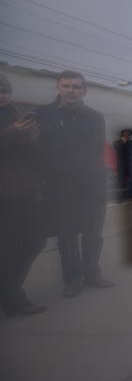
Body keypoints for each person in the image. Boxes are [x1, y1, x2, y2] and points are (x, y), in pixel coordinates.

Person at [35, 71, 113, 297]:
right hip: (60, 186)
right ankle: (72, 279)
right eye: (66, 86)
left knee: (93, 233)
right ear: (57, 88)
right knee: (66, 235)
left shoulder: (95, 117)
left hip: (92, 185)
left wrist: (98, 176)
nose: (71, 91)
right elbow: (39, 150)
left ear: (84, 91)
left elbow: (97, 150)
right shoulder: (43, 114)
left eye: (76, 87)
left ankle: (92, 273)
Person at [0, 73, 47, 317]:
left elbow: (32, 158)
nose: (2, 95)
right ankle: (13, 299)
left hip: (24, 192)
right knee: (7, 248)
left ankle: (11, 292)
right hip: (4, 196)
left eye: (5, 90)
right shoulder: (13, 124)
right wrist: (13, 133)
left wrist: (33, 139)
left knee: (33, 242)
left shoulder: (16, 116)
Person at [113, 130, 132, 202]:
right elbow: (117, 148)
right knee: (121, 184)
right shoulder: (117, 142)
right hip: (122, 167)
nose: (128, 136)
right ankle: (120, 199)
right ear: (122, 135)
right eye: (126, 134)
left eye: (129, 135)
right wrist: (124, 141)